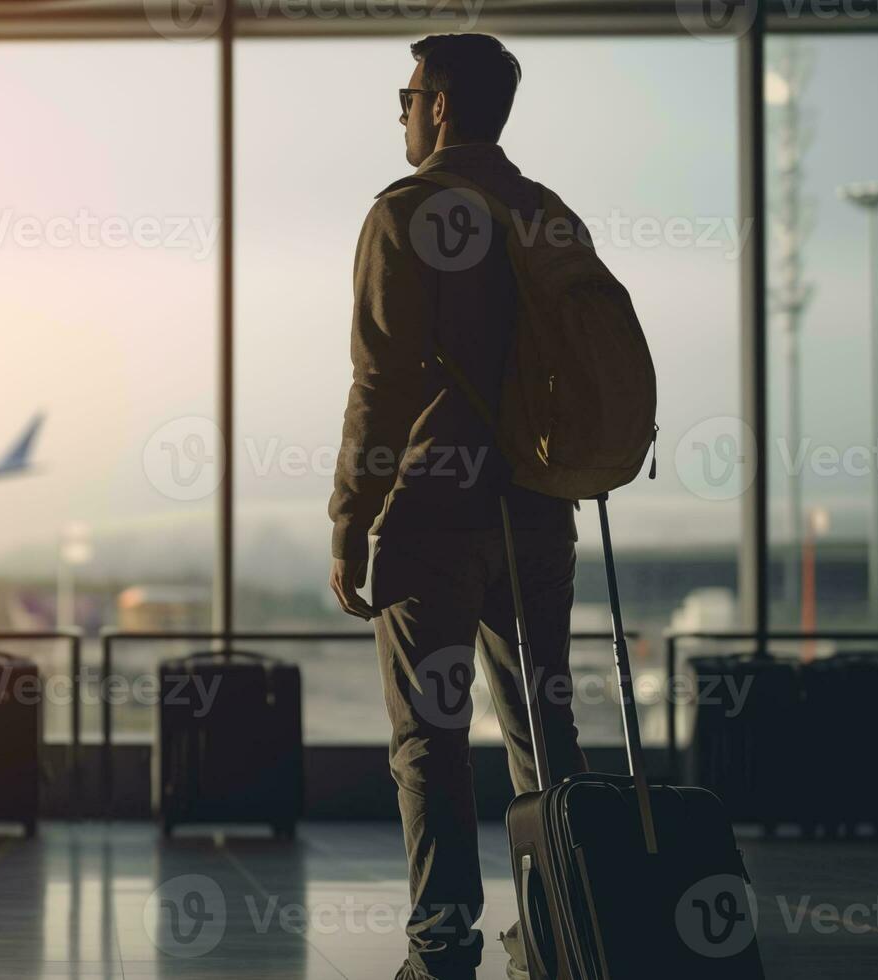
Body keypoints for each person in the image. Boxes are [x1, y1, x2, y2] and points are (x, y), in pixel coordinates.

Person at [326, 33, 590, 980]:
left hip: (432, 514)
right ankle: (568, 929)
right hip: (538, 515)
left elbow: (380, 385)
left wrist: (350, 518)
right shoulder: (545, 213)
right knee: (543, 728)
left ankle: (442, 949)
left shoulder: (405, 213)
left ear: (436, 106)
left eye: (405, 96)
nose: (400, 113)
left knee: (430, 741)